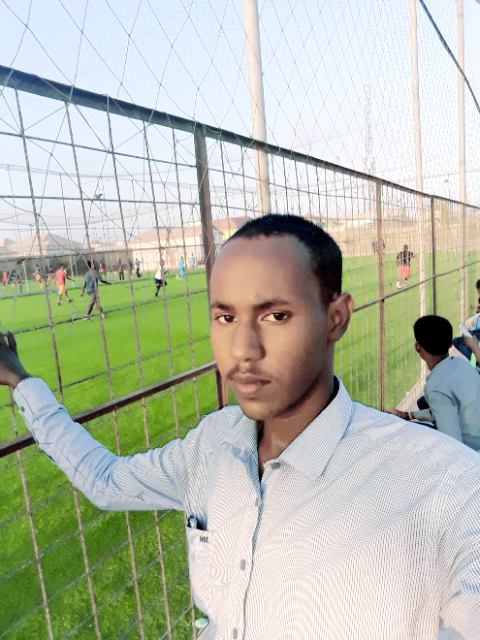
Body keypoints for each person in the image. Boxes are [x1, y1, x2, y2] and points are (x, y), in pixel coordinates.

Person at [1, 214, 480, 640]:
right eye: (226, 316)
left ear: (336, 318)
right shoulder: (212, 444)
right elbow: (107, 481)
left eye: (275, 315)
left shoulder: (447, 484)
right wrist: (22, 382)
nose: (243, 349)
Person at [387, 315, 480, 451]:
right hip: (474, 429)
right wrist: (408, 415)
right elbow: (448, 409)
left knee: (405, 434)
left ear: (417, 347)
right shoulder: (460, 364)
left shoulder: (436, 387)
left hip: (471, 453)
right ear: (450, 344)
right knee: (423, 403)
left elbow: (453, 446)